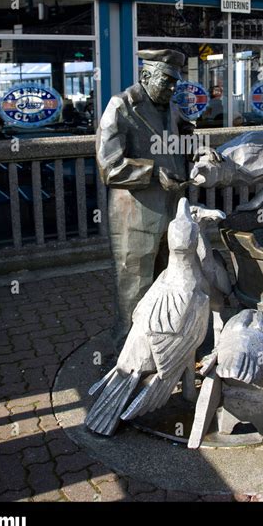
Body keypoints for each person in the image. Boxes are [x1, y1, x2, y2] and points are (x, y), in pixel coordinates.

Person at [97, 49, 194, 350]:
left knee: (171, 282)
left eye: (176, 82)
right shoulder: (122, 106)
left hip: (173, 213)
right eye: (167, 81)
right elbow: (109, 166)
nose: (173, 87)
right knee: (134, 289)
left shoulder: (172, 109)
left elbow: (185, 143)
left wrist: (199, 149)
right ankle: (127, 356)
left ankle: (166, 343)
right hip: (136, 215)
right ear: (146, 76)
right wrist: (154, 173)